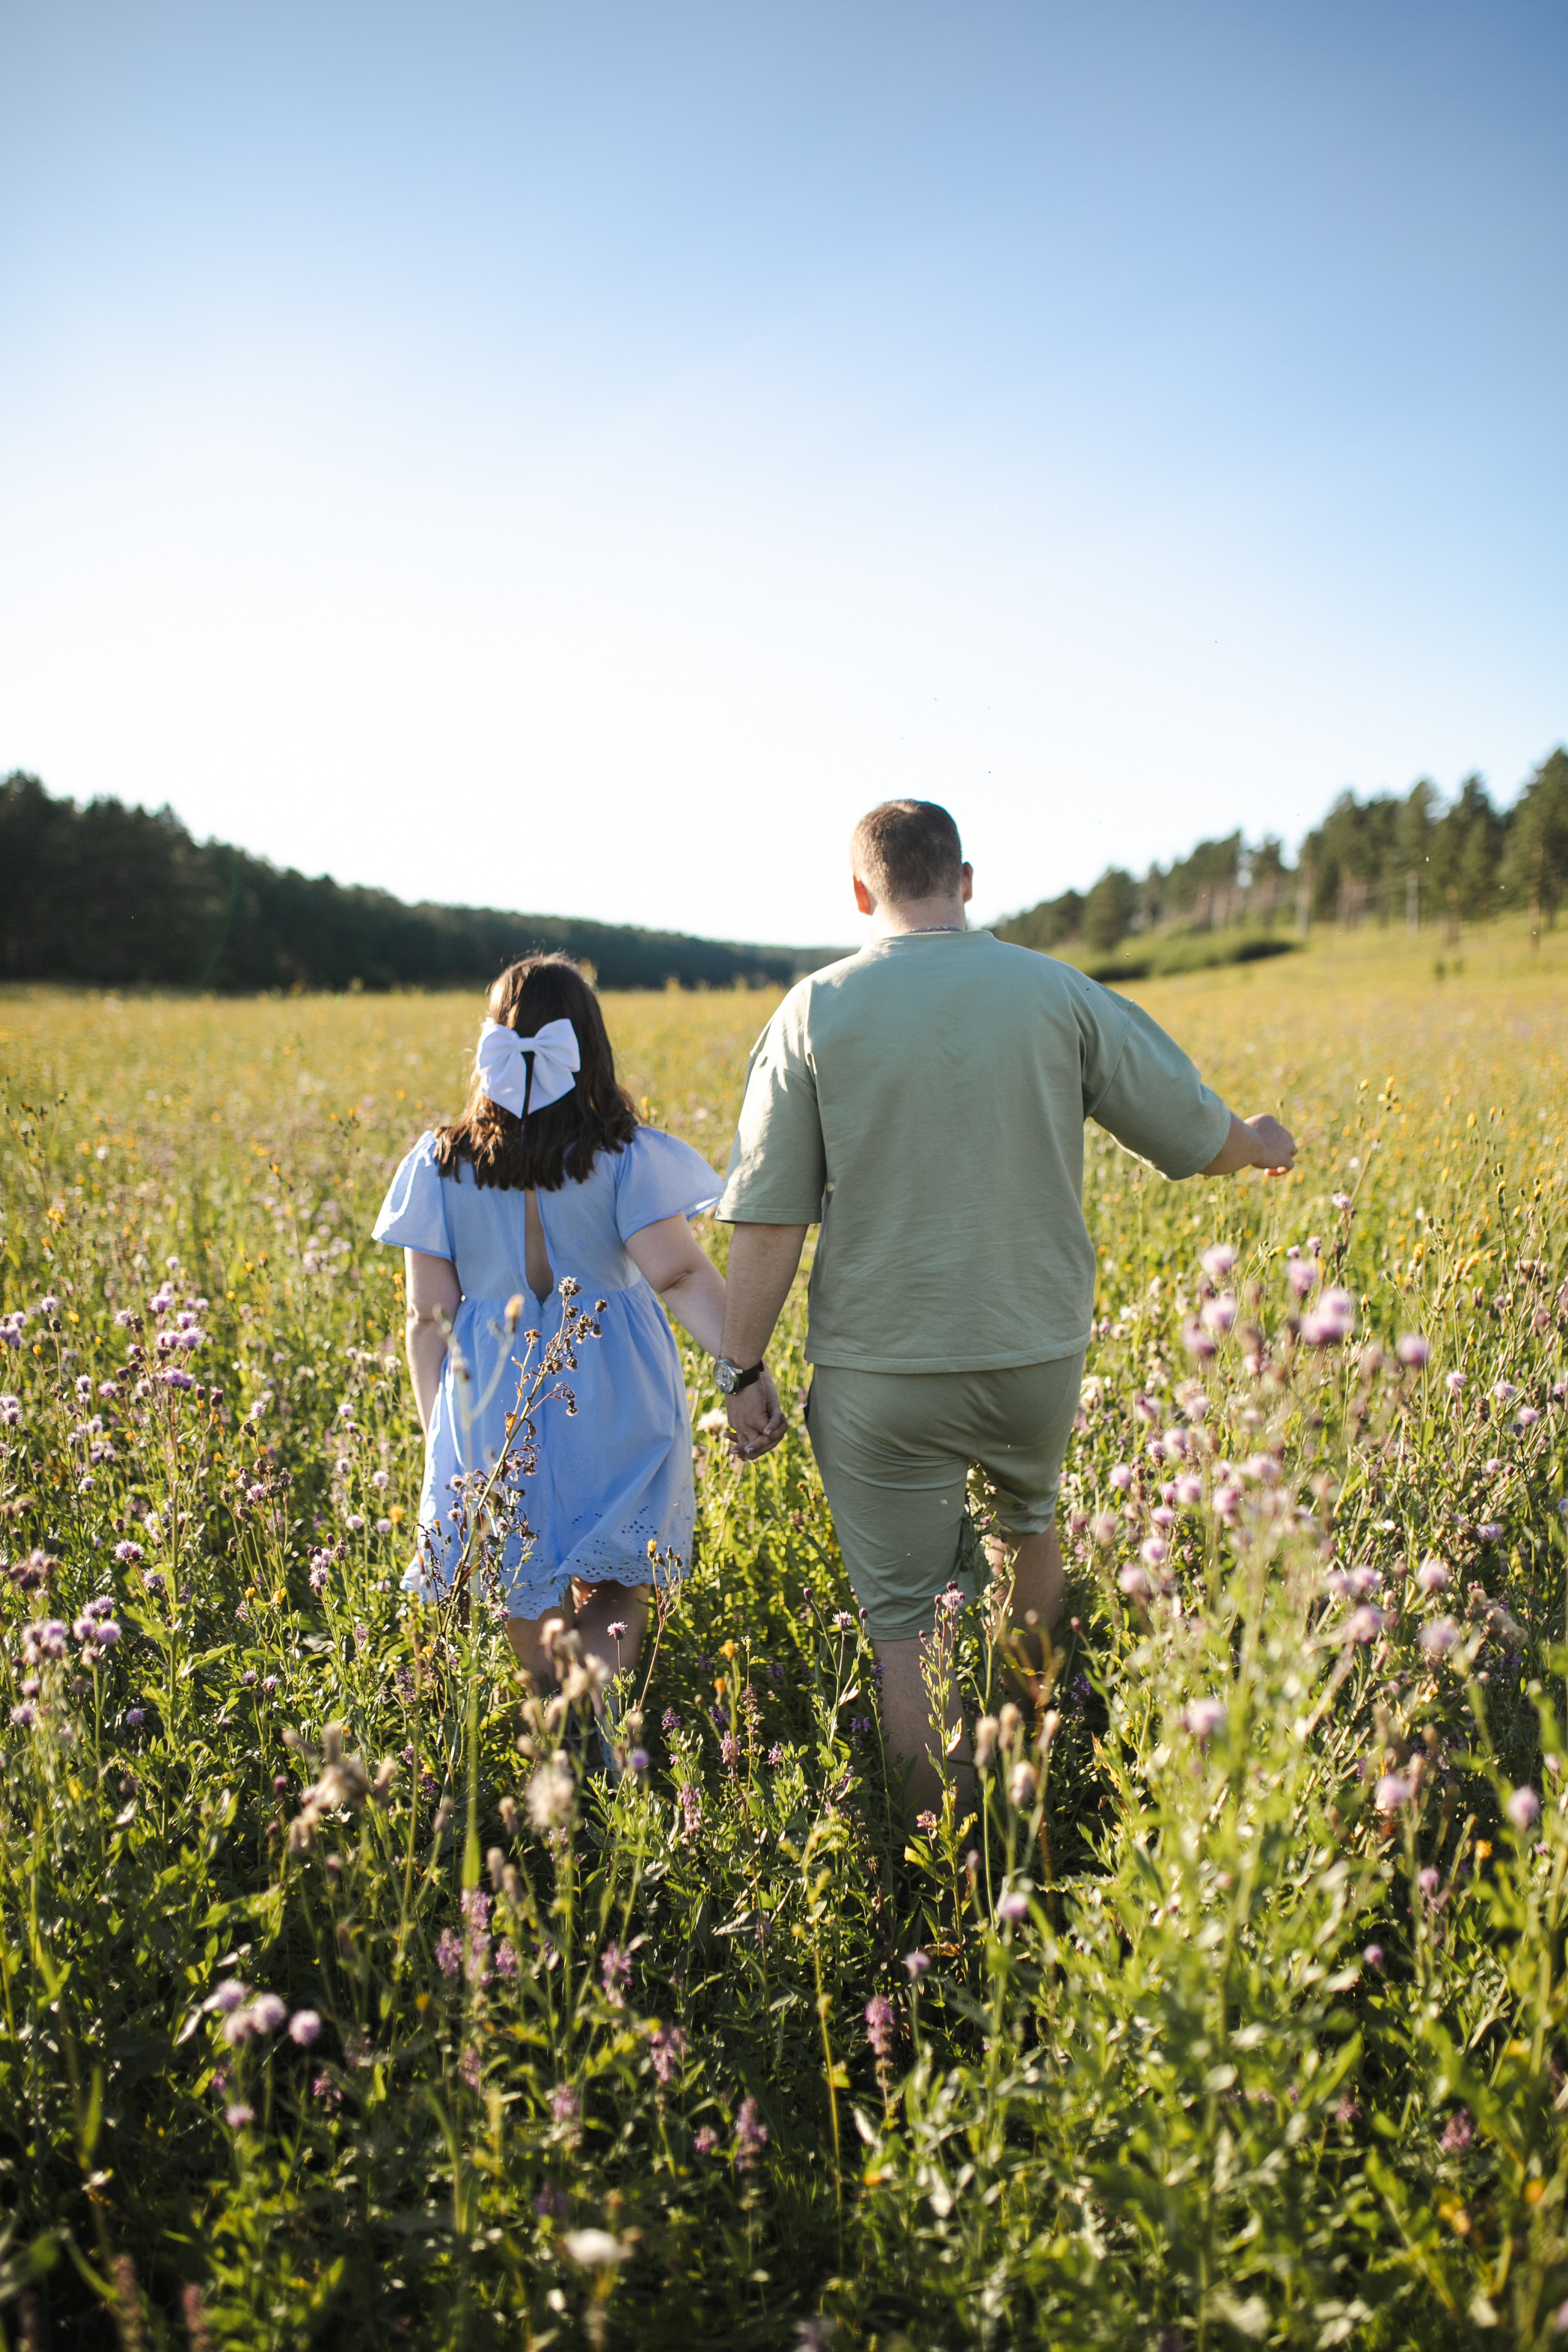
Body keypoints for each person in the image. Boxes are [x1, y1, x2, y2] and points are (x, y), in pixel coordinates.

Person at [714, 800, 1296, 1815]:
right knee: (1028, 1526)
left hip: (880, 1371)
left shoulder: (813, 1010)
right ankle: (1034, 1758)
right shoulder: (1056, 992)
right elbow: (1194, 1135)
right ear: (967, 882)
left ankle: (945, 1868)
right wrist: (1261, 1140)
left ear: (861, 894)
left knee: (906, 1625)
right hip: (1036, 1351)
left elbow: (768, 1222)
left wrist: (742, 1366)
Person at [371, 954, 781, 1689]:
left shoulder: (437, 1164)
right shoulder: (620, 1153)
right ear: (591, 1045)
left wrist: (443, 1431)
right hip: (614, 1389)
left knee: (524, 1583)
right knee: (619, 1583)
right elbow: (680, 1274)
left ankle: (552, 1717)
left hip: (491, 1392)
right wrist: (742, 1368)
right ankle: (596, 1712)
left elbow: (425, 1319)